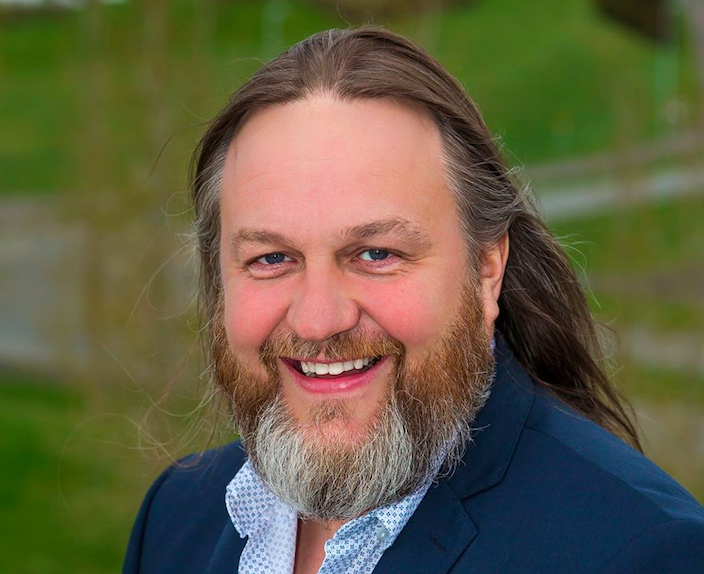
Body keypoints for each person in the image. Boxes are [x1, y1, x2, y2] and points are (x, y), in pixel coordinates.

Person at [122, 27, 704, 574]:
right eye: (271, 258)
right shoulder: (176, 518)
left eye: (375, 253)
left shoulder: (641, 552)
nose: (318, 320)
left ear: (486, 269)